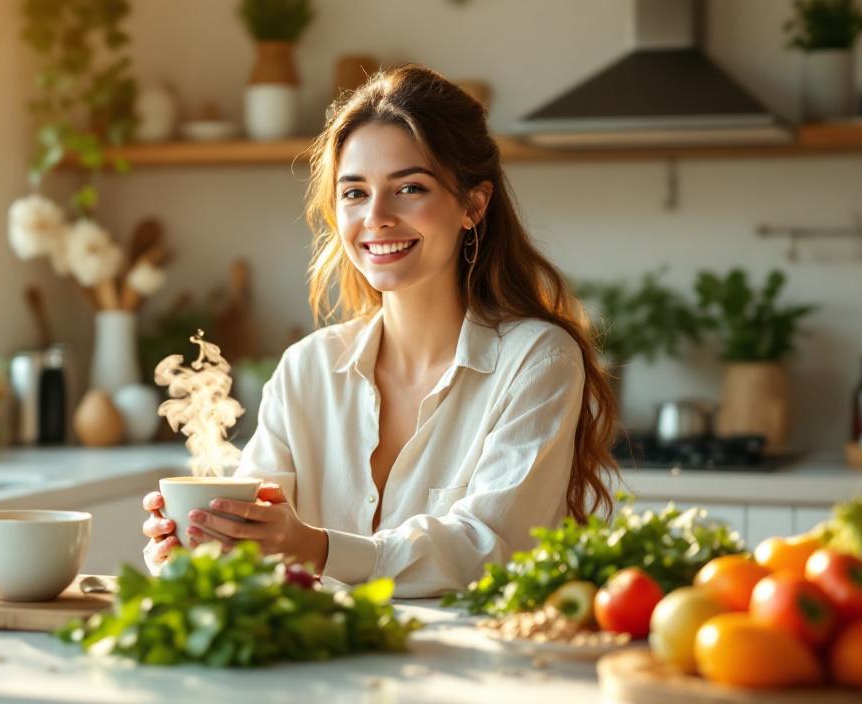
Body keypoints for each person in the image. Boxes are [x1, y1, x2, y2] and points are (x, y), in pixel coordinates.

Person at [141, 64, 618, 597]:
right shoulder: (307, 369)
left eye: (409, 188)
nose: (377, 217)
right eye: (354, 193)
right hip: (317, 671)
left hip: (472, 672)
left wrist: (318, 549)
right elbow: (255, 540)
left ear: (473, 206)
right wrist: (201, 545)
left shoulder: (537, 360)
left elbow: (489, 546)